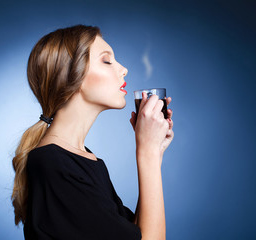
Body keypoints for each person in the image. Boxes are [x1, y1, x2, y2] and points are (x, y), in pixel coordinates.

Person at [11, 24, 174, 240]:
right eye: (107, 61)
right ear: (71, 76)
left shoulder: (82, 159)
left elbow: (134, 234)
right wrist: (148, 153)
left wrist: (155, 151)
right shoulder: (54, 165)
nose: (123, 69)